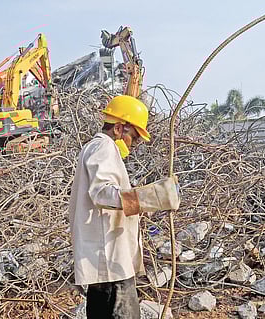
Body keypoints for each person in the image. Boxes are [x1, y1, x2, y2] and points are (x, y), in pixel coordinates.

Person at [68, 95, 181, 318]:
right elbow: (102, 193)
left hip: (106, 262)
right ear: (119, 128)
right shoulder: (104, 147)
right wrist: (152, 197)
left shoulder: (96, 148)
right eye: (134, 137)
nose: (134, 144)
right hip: (110, 263)